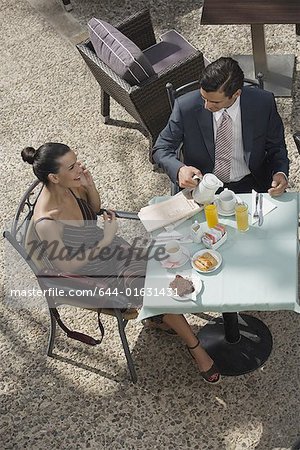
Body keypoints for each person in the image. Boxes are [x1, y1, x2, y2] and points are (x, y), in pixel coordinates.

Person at [21, 142, 221, 384]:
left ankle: (158, 316)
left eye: (77, 161)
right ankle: (195, 347)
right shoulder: (46, 221)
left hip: (112, 250)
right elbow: (66, 267)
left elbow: (93, 209)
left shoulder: (71, 186)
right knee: (156, 289)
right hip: (92, 275)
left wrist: (89, 185)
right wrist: (105, 239)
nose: (80, 168)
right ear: (53, 177)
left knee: (167, 265)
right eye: (72, 166)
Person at [152, 57, 289, 196]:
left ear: (236, 94)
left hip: (253, 184)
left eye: (214, 102)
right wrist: (179, 170)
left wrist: (280, 172)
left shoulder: (263, 103)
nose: (206, 105)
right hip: (202, 186)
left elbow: (276, 147)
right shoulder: (185, 107)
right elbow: (161, 148)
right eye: (203, 98)